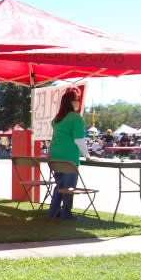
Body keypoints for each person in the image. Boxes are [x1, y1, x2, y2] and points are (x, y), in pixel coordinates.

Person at [47, 88, 94, 220]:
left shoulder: (57, 119)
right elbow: (79, 140)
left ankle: (53, 212)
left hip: (55, 157)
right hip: (69, 157)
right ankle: (66, 214)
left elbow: (55, 137)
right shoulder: (76, 118)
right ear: (70, 102)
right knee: (69, 188)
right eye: (77, 100)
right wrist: (87, 156)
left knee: (60, 186)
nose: (79, 102)